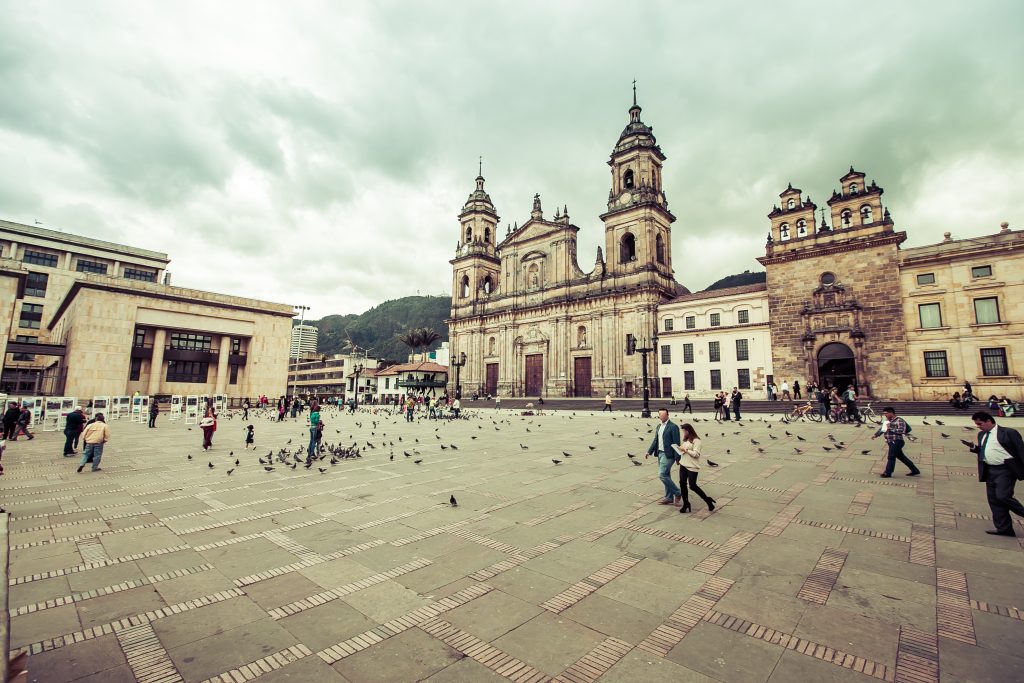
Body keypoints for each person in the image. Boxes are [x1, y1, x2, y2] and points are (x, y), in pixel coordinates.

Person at [964, 411, 1024, 537]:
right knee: (994, 500)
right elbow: (985, 450)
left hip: (1006, 470)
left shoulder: (1009, 432)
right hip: (989, 470)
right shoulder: (981, 434)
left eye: (980, 424)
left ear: (989, 421)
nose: (978, 426)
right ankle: (1004, 529)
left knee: (1003, 496)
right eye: (976, 424)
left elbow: (1021, 451)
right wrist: (974, 448)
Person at [645, 408, 682, 506]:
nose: (661, 416)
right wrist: (649, 451)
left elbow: (677, 443)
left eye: (663, 415)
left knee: (662, 474)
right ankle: (669, 497)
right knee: (666, 475)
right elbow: (655, 440)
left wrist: (677, 457)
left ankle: (678, 493)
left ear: (667, 415)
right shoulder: (658, 426)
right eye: (660, 415)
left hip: (668, 455)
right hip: (660, 453)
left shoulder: (673, 427)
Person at [676, 423, 716, 513]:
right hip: (683, 464)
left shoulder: (697, 441)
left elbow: (696, 454)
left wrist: (685, 450)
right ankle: (686, 503)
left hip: (692, 466)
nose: (683, 433)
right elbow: (685, 450)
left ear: (688, 431)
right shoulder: (686, 440)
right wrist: (679, 450)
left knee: (693, 486)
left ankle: (708, 500)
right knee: (682, 484)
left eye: (684, 431)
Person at [872, 407, 921, 478]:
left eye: (886, 413)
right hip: (890, 441)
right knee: (902, 457)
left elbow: (902, 431)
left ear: (891, 413)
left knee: (891, 457)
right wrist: (876, 435)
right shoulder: (887, 421)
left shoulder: (899, 420)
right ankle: (915, 470)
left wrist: (890, 428)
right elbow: (882, 429)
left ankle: (888, 473)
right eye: (884, 413)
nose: (885, 415)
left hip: (896, 441)